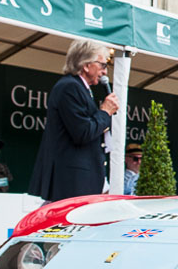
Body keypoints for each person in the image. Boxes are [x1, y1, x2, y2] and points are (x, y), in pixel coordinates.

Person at [28, 39, 120, 202]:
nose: (105, 72)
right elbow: (82, 132)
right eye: (102, 65)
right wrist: (104, 112)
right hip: (72, 181)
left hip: (81, 179)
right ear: (86, 65)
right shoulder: (70, 87)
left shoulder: (81, 88)